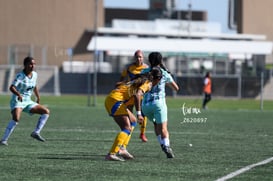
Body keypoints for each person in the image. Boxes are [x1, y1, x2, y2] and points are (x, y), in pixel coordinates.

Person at [105, 67, 163, 161]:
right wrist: (139, 113)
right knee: (126, 128)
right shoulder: (148, 83)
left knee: (132, 121)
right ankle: (111, 153)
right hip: (116, 100)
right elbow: (137, 95)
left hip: (114, 99)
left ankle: (122, 148)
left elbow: (128, 92)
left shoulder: (140, 80)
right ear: (158, 79)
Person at [0, 56, 50, 146]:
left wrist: (38, 97)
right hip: (17, 100)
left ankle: (36, 132)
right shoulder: (20, 76)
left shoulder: (35, 74)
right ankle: (3, 140)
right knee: (16, 119)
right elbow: (11, 87)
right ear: (25, 65)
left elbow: (34, 86)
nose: (33, 66)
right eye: (31, 64)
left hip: (28, 101)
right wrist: (18, 94)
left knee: (46, 111)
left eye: (34, 64)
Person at [141, 52, 179, 158]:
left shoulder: (144, 71)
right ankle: (166, 145)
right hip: (159, 104)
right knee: (163, 128)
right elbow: (176, 88)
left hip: (145, 106)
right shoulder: (164, 73)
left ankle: (162, 144)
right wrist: (165, 80)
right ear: (160, 61)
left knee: (155, 124)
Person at [120, 50, 149, 142]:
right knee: (129, 113)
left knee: (143, 114)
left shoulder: (146, 68)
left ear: (143, 58)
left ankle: (142, 134)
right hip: (130, 94)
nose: (138, 58)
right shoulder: (129, 67)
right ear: (134, 58)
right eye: (137, 57)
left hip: (140, 94)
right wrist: (122, 84)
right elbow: (122, 78)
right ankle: (127, 131)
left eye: (140, 57)